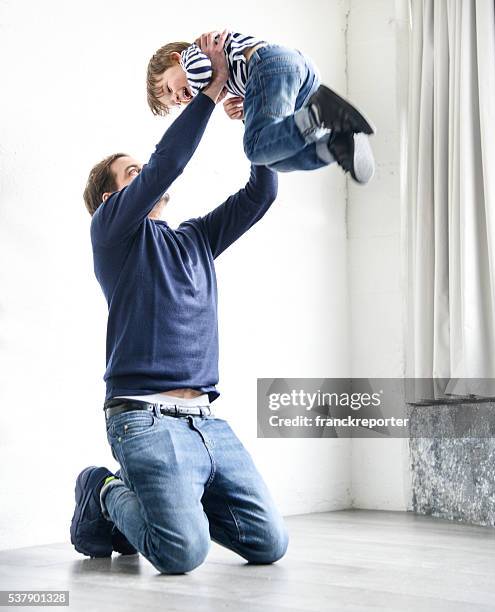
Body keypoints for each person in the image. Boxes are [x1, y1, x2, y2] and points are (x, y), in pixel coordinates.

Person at [70, 33, 288, 574]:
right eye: (131, 173)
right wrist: (211, 91)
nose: (144, 174)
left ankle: (175, 501)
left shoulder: (194, 238)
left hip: (205, 421)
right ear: (110, 198)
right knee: (182, 553)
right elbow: (168, 162)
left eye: (141, 168)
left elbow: (261, 194)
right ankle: (102, 491)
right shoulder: (112, 233)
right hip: (142, 419)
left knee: (269, 544)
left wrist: (254, 123)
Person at [146, 29, 376, 183]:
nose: (178, 98)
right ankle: (336, 145)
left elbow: (204, 76)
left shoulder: (194, 54)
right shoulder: (215, 73)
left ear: (176, 59)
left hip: (271, 64)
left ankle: (320, 114)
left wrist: (209, 96)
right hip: (296, 81)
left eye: (168, 89)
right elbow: (263, 97)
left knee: (254, 148)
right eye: (175, 103)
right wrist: (249, 108)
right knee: (273, 159)